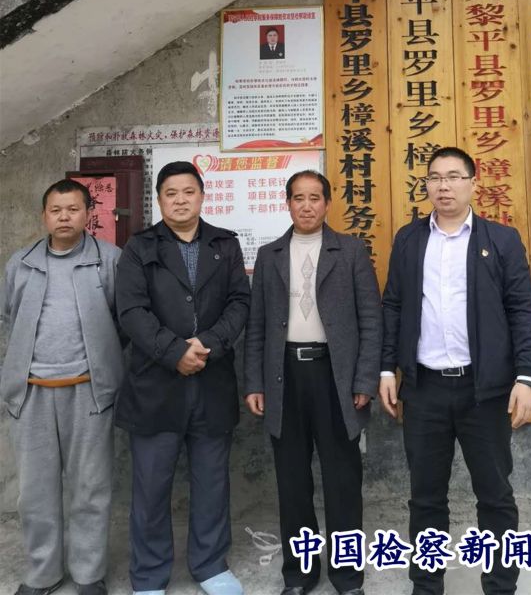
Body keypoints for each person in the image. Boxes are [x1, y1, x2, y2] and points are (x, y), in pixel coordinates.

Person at [379, 147, 531, 595]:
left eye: (453, 176)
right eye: (434, 177)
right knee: (425, 498)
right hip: (424, 388)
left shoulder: (501, 240)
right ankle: (426, 587)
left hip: (484, 391)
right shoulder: (409, 240)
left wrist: (527, 377)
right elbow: (393, 305)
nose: (443, 186)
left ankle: (501, 587)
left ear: (473, 182)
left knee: (495, 495)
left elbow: (523, 310)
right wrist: (387, 369)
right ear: (426, 185)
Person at [244, 170, 383, 595]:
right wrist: (255, 382)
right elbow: (256, 326)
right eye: (298, 198)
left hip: (335, 377)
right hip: (285, 376)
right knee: (293, 482)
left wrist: (364, 380)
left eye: (315, 198)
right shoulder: (270, 255)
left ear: (327, 203)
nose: (307, 206)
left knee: (343, 480)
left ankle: (347, 576)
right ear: (287, 203)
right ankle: (299, 574)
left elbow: (371, 320)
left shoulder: (351, 251)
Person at [115, 161, 250, 595]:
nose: (180, 200)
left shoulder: (225, 244)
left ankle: (210, 566)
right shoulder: (138, 247)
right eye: (170, 193)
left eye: (188, 192)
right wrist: (174, 353)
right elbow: (131, 311)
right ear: (158, 200)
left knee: (212, 483)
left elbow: (239, 303)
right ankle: (149, 576)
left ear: (202, 196)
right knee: (151, 488)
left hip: (212, 380)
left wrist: (207, 344)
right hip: (156, 386)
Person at [1, 179, 123, 595]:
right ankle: (43, 573)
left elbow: (123, 321)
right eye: (56, 210)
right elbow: (9, 318)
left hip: (89, 392)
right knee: (35, 493)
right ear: (44, 216)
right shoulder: (21, 263)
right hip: (31, 392)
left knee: (91, 488)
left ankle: (89, 574)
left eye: (73, 209)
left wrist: (104, 364)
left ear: (88, 213)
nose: (64, 217)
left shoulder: (109, 260)